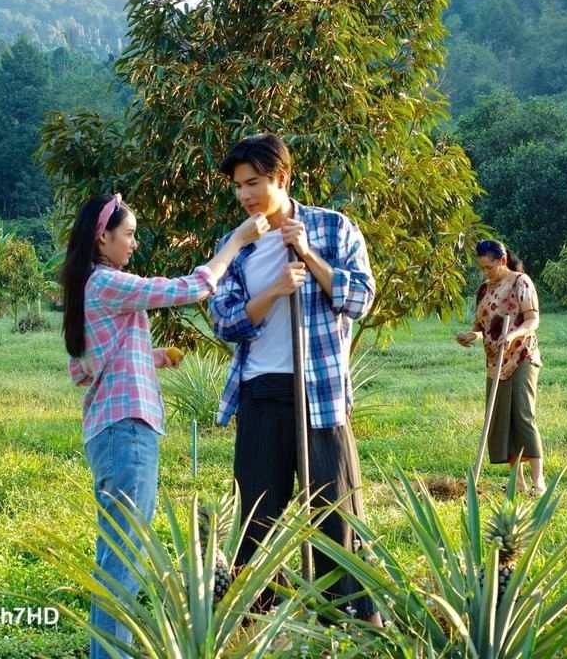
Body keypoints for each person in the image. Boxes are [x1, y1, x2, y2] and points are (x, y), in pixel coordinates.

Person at [61, 193, 267, 659]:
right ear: (103, 237)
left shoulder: (88, 286)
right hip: (128, 429)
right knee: (125, 558)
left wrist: (149, 356)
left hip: (108, 430)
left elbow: (87, 367)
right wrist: (236, 241)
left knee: (115, 553)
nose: (134, 243)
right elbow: (188, 289)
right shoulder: (108, 281)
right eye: (129, 234)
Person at [208, 132, 380, 623]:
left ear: (281, 178)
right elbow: (224, 321)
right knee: (254, 517)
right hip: (262, 389)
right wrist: (271, 293)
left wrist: (306, 255)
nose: (244, 195)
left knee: (337, 514)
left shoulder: (333, 228)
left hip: (320, 391)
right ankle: (253, 623)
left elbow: (361, 299)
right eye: (238, 186)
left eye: (253, 183)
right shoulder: (237, 244)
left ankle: (351, 624)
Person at [455, 239, 547, 495]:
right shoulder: (484, 289)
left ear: (503, 260)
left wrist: (513, 334)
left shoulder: (520, 282)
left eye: (490, 267)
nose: (486, 272)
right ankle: (518, 481)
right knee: (501, 419)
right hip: (496, 361)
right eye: (482, 268)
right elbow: (481, 327)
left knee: (522, 414)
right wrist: (471, 335)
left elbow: (533, 320)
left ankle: (538, 481)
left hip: (522, 355)